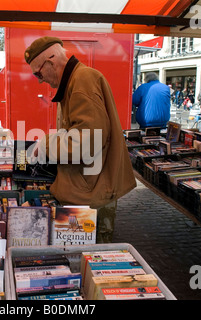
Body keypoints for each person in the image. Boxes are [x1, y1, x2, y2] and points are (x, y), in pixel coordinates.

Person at [24, 36, 136, 243]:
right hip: (87, 190)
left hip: (91, 194)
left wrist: (45, 144)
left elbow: (88, 143)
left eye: (38, 73)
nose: (40, 80)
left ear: (50, 61)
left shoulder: (82, 80)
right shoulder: (75, 80)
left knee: (91, 256)